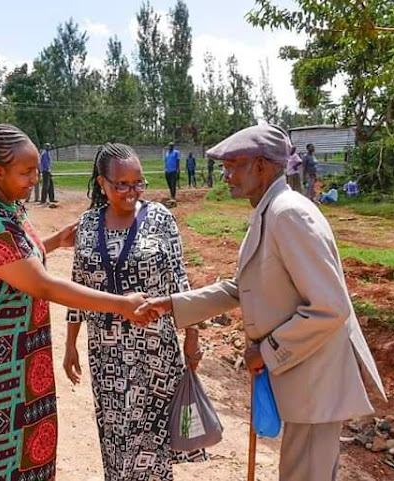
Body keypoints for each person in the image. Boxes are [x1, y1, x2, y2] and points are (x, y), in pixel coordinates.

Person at [137, 124, 386, 481]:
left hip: (316, 382)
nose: (226, 176)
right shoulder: (271, 211)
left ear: (262, 166)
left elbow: (330, 306)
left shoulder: (288, 215)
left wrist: (267, 351)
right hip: (304, 378)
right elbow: (243, 287)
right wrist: (172, 305)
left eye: (233, 166)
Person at [0, 124, 150, 481]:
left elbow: (13, 258)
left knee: (19, 431)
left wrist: (55, 241)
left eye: (35, 172)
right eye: (25, 172)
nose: (33, 179)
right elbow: (41, 285)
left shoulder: (5, 202)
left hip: (9, 343)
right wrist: (121, 304)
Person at [64, 143, 206, 481]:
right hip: (106, 353)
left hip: (154, 351)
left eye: (138, 183)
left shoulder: (160, 219)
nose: (131, 192)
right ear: (102, 184)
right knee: (116, 438)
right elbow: (77, 287)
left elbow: (180, 281)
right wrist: (71, 343)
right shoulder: (87, 224)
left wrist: (192, 336)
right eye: (121, 184)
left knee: (152, 443)